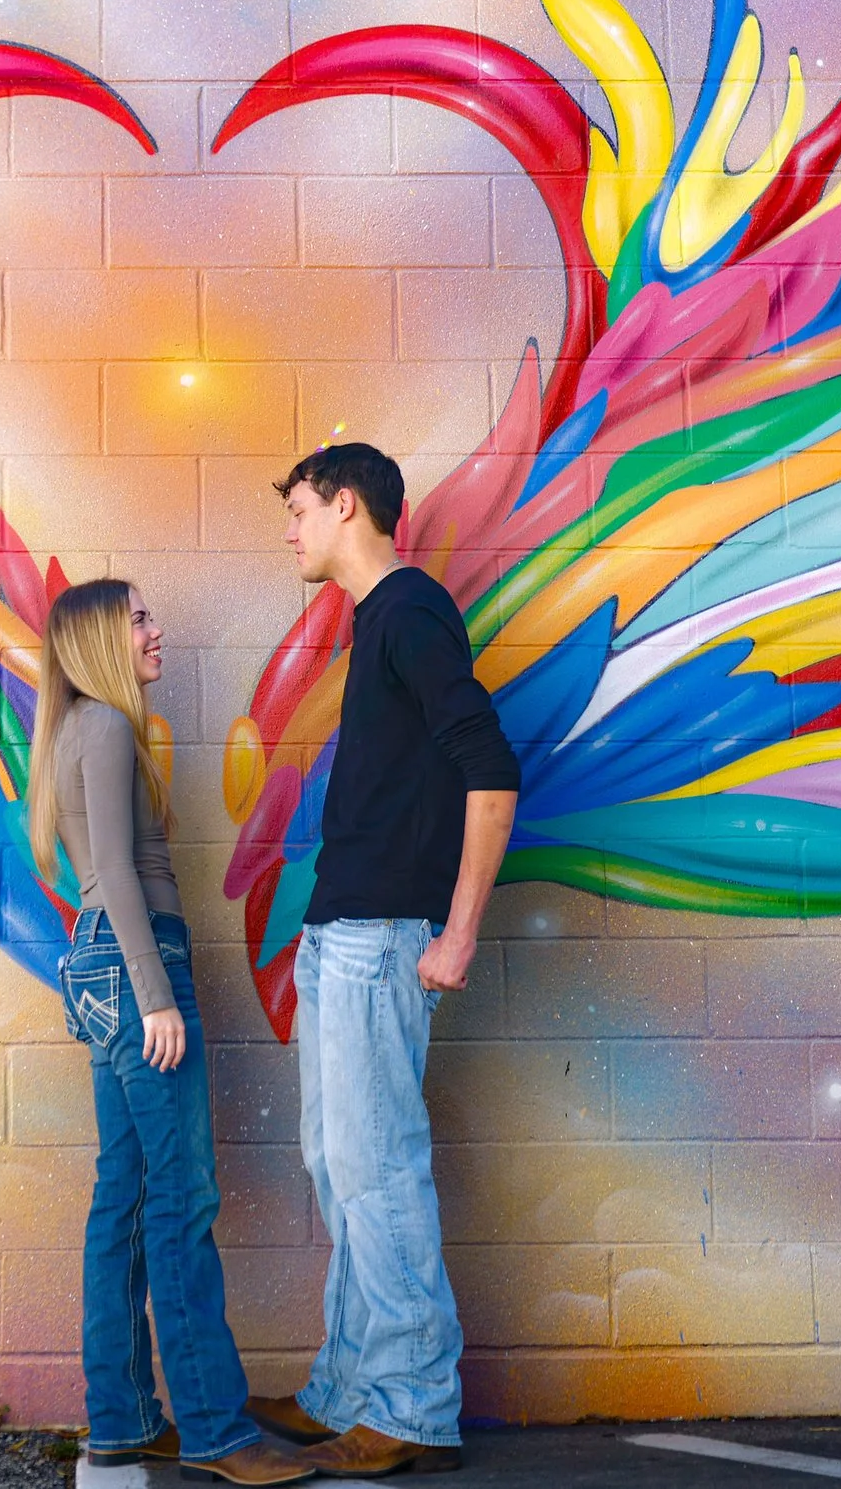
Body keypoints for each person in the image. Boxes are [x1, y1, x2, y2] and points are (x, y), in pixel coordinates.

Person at [247, 445, 519, 1478]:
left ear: (345, 504)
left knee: (378, 1171)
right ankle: (348, 1387)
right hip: (341, 933)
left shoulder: (406, 611)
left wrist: (456, 933)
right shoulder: (379, 619)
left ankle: (411, 1407)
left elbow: (489, 770)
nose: (291, 532)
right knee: (337, 1162)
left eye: (299, 508)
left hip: (381, 941)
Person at [31, 578, 315, 1487]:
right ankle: (217, 1430)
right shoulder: (109, 726)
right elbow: (114, 867)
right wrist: (157, 994)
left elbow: (95, 872)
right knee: (179, 1198)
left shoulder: (78, 727)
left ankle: (120, 1419)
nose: (157, 630)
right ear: (103, 641)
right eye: (141, 619)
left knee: (124, 1193)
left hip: (98, 961)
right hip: (136, 961)